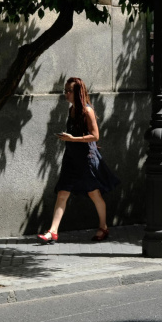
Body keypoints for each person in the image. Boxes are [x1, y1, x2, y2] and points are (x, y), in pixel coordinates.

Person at [38, 77, 120, 243]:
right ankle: (53, 231)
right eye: (65, 90)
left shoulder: (87, 111)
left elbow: (95, 136)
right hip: (71, 157)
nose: (66, 94)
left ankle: (103, 227)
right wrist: (69, 139)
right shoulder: (71, 110)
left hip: (86, 158)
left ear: (78, 92)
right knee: (62, 192)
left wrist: (72, 139)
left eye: (69, 91)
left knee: (94, 193)